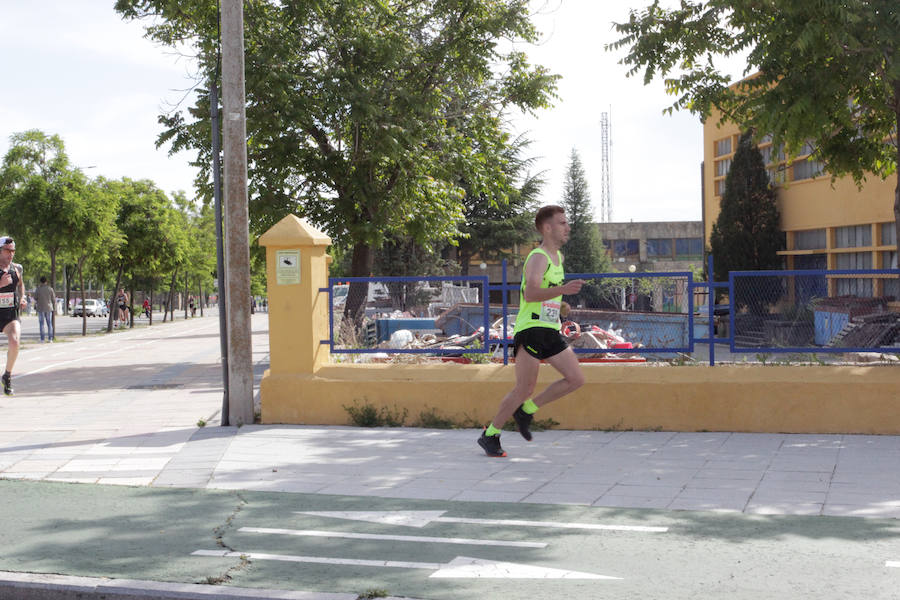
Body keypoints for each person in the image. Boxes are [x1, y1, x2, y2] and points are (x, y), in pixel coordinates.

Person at [478, 206, 586, 457]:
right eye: (562, 223)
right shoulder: (539, 257)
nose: (567, 227)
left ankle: (527, 410)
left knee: (576, 379)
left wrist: (561, 303)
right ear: (547, 228)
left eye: (566, 222)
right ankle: (491, 434)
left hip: (549, 327)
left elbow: (545, 292)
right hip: (531, 328)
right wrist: (564, 290)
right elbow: (531, 294)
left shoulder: (559, 259)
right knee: (523, 388)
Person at [0, 236, 26, 395]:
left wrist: (22, 297)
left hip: (10, 314)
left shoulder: (16, 269)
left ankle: (7, 376)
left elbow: (21, 285)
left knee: (15, 342)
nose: (11, 254)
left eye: (13, 251)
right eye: (8, 250)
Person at [35, 276, 56, 343]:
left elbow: (35, 298)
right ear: (46, 281)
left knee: (41, 323)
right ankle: (50, 339)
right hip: (49, 308)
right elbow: (53, 299)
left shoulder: (38, 289)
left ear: (40, 282)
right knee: (49, 323)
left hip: (40, 308)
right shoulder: (50, 289)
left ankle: (42, 339)